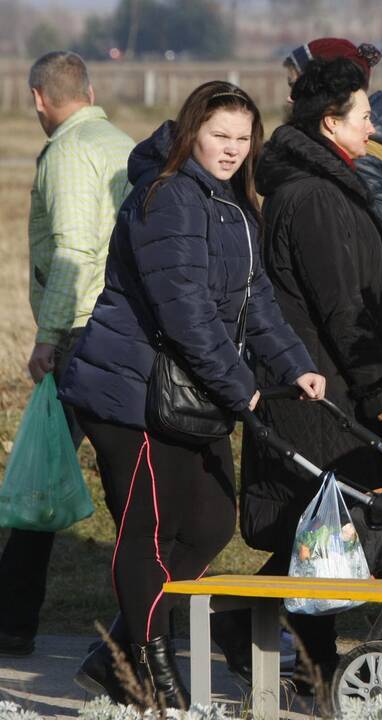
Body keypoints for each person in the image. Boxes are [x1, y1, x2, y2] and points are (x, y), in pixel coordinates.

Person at [58, 81, 324, 709]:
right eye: (219, 136)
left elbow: (253, 299)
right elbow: (186, 315)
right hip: (133, 392)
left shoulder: (230, 200)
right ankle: (153, 674)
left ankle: (117, 655)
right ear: (190, 134)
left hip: (185, 390)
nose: (232, 149)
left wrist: (294, 367)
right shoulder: (169, 198)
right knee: (151, 531)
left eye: (241, 138)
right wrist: (244, 392)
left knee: (208, 522)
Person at [234, 56, 382, 693]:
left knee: (330, 531)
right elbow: (342, 306)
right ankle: (304, 660)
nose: (373, 127)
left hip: (330, 383)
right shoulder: (312, 196)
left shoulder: (328, 183)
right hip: (314, 391)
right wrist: (377, 390)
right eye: (364, 116)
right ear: (332, 123)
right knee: (328, 532)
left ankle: (271, 639)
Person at [0, 51, 133, 660]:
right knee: (125, 480)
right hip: (127, 332)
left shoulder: (67, 153)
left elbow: (77, 252)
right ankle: (141, 619)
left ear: (37, 98)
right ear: (90, 88)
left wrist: (47, 337)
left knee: (38, 485)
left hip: (83, 334)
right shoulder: (119, 143)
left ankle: (13, 621)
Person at [284, 38, 382, 371]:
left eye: (297, 85)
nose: (290, 97)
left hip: (359, 337)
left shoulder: (358, 159)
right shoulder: (375, 144)